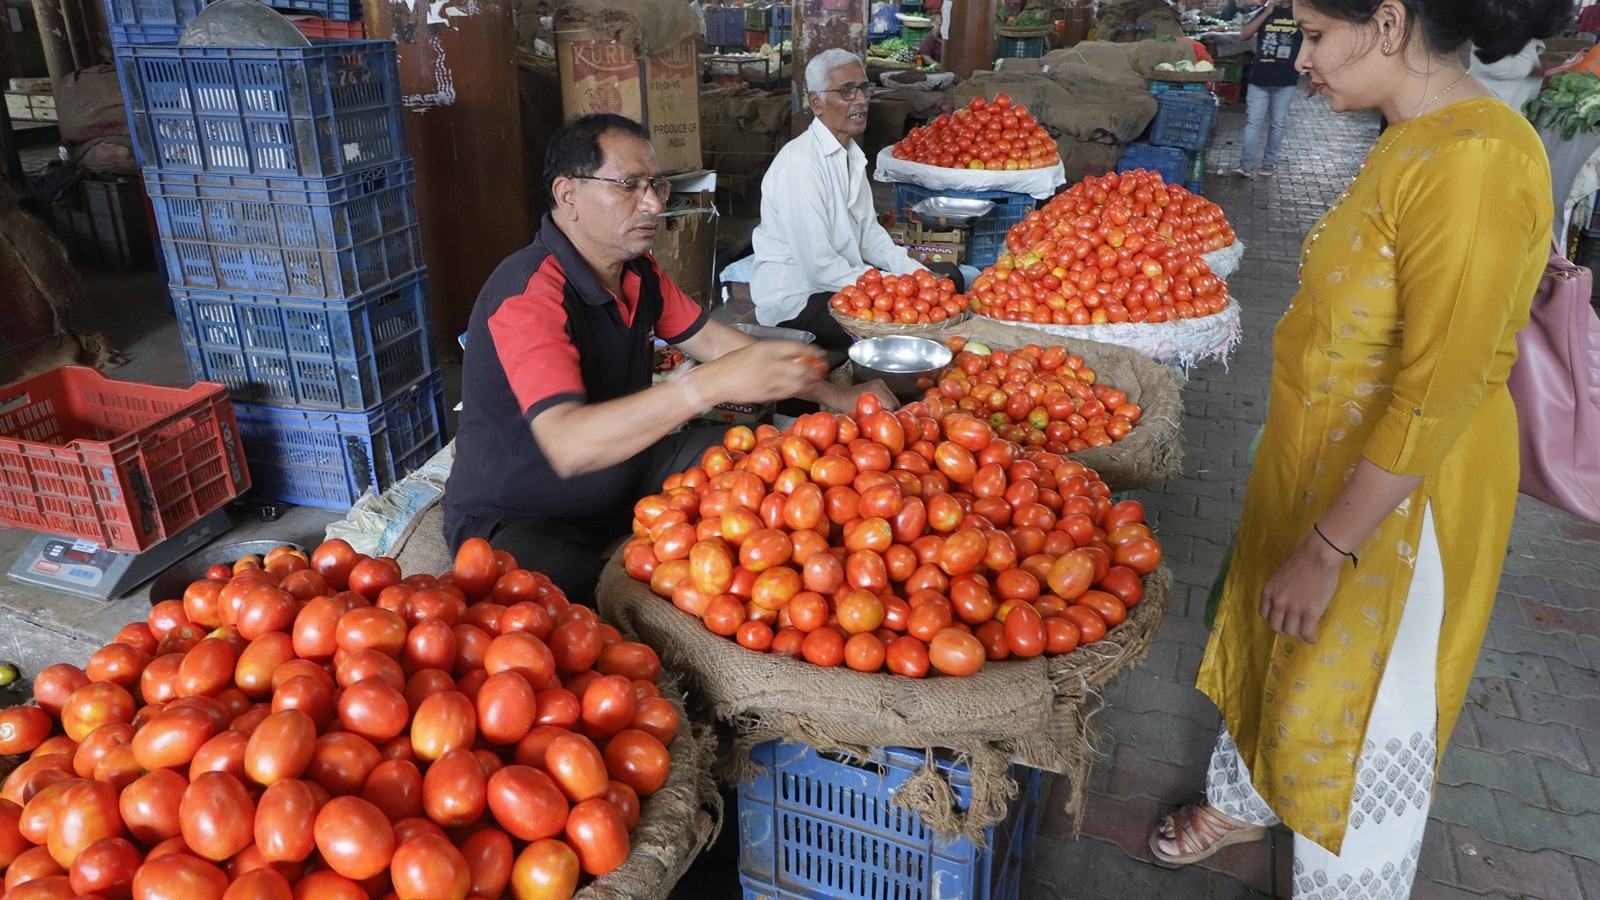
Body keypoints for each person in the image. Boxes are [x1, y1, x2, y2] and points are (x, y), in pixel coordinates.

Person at [1150, 0, 1567, 894]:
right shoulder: (1411, 132)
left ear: (1387, 23)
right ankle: (1251, 799)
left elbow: (1438, 389)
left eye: (1312, 35)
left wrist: (1331, 547)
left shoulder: (1478, 159)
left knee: (1365, 723)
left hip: (1404, 512)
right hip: (1325, 468)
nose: (1301, 59)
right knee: (1288, 657)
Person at [443, 113, 891, 605]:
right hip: (521, 510)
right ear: (567, 194)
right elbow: (568, 443)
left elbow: (720, 345)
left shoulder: (639, 272)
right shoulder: (529, 293)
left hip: (627, 468)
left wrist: (836, 396)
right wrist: (705, 386)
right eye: (629, 186)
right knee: (567, 590)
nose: (653, 203)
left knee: (770, 451)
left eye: (655, 185)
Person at [750, 48, 957, 353]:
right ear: (816, 103)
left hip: (839, 286)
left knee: (951, 279)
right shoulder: (800, 165)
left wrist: (916, 275)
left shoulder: (850, 156)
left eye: (863, 88)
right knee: (900, 331)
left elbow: (870, 235)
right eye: (846, 91)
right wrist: (896, 285)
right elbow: (820, 270)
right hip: (798, 302)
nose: (860, 100)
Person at [1230, 0, 1303, 177]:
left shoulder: (1302, 15)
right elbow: (1243, 35)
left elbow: (1313, 41)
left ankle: (1268, 163)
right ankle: (1245, 165)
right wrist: (1266, 13)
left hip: (1286, 80)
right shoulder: (1264, 12)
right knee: (1253, 123)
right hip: (1259, 79)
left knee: (1277, 123)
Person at [1470, 37, 1545, 111]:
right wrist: (1529, 70)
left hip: (1521, 93)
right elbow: (1489, 65)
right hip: (1497, 96)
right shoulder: (1491, 32)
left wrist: (1537, 46)